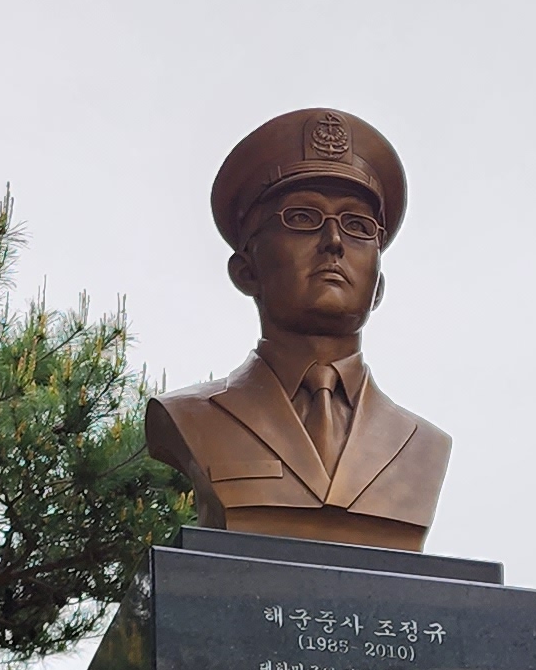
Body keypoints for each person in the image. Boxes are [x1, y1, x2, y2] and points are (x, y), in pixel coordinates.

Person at [144, 107, 451, 550]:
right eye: (303, 218)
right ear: (246, 271)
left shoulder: (420, 444)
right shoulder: (192, 416)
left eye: (357, 225)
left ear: (378, 286)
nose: (334, 242)